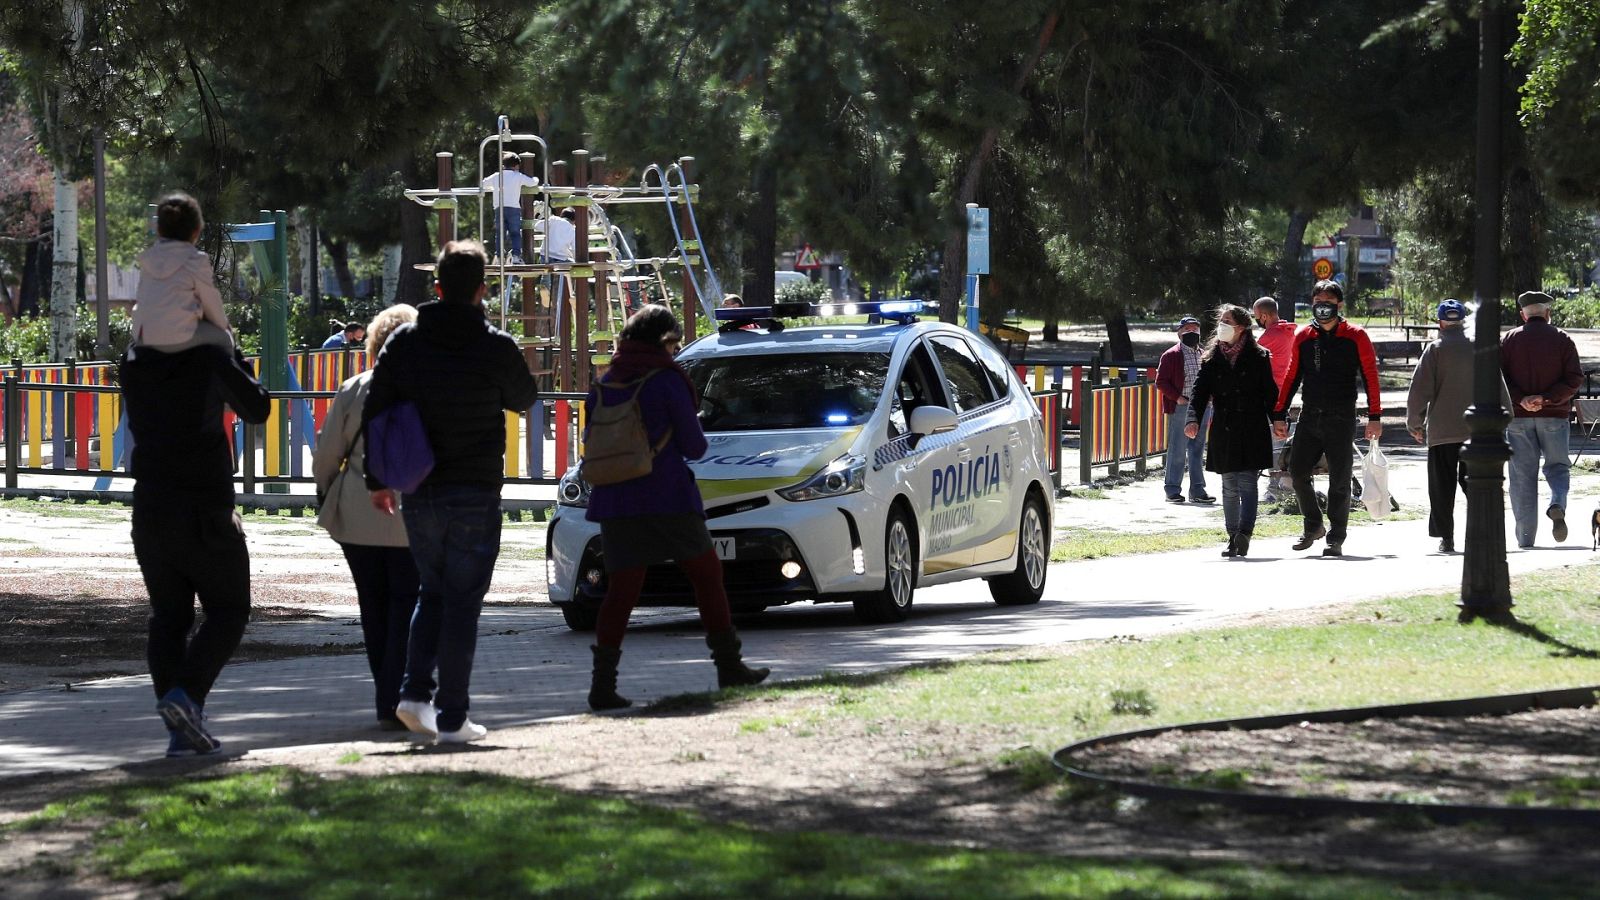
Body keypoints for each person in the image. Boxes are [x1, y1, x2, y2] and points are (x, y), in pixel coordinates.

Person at [362, 240, 538, 744]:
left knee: (433, 591)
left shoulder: (404, 344)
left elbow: (377, 409)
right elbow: (524, 398)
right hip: (476, 487)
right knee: (463, 602)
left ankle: (415, 694)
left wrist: (379, 481)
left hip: (420, 486)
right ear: (482, 290)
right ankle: (455, 717)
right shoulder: (494, 344)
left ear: (436, 287)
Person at [583, 304, 769, 711]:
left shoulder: (606, 383)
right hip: (667, 496)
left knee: (620, 594)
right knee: (707, 576)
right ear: (663, 341)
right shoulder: (666, 380)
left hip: (615, 500)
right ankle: (728, 665)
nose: (676, 349)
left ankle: (602, 686)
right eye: (674, 342)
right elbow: (694, 445)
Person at [120, 301, 270, 757]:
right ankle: (186, 696)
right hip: (205, 508)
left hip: (150, 508)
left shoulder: (132, 363)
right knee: (229, 610)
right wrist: (228, 345)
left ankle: (180, 733)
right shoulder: (209, 358)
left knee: (169, 617)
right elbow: (257, 407)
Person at [313, 304, 420, 730]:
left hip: (359, 511)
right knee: (405, 606)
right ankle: (399, 696)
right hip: (411, 512)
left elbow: (326, 456)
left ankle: (384, 697)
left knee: (372, 607)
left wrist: (325, 492)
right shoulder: (426, 388)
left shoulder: (354, 388)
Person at [1271, 279, 1383, 557]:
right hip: (1309, 416)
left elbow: (1370, 376)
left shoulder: (1356, 336)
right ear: (1312, 304)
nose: (1323, 308)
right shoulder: (1304, 336)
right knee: (1297, 472)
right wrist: (1279, 414)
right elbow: (1291, 376)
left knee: (1340, 479)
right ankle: (1313, 526)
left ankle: (1336, 536)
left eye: (1329, 303)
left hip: (1342, 417)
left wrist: (1375, 416)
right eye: (1318, 303)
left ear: (1339, 305)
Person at [1406, 299, 1511, 554]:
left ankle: (1447, 538)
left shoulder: (1435, 349)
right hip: (1478, 431)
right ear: (1463, 321)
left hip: (1442, 431)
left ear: (1440, 323)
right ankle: (1484, 533)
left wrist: (1415, 423)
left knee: (1442, 487)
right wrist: (1506, 419)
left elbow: (1419, 390)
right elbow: (1498, 386)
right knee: (1477, 485)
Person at [1185, 304, 1278, 558]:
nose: (1222, 326)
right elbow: (1199, 392)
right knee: (1228, 485)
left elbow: (1270, 392)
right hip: (1224, 427)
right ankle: (1232, 536)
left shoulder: (1259, 356)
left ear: (1242, 327)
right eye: (1221, 321)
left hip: (1252, 426)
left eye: (1228, 321)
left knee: (1247, 482)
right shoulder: (1211, 357)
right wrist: (1192, 418)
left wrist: (1279, 420)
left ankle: (1244, 534)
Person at [1500, 290, 1583, 548]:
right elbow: (1574, 379)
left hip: (1518, 418)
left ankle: (1526, 538)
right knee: (1558, 467)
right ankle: (1557, 502)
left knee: (1522, 476)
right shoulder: (1562, 339)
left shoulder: (1509, 340)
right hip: (1554, 416)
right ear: (1547, 313)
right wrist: (1546, 399)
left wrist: (1522, 399)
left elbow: (1499, 378)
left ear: (1523, 314)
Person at [130, 192, 234, 356]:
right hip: (181, 336)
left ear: (159, 230)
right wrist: (225, 325)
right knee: (225, 338)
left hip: (146, 336)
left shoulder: (148, 259)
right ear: (196, 231)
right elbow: (210, 301)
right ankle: (227, 381)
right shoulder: (195, 260)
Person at [1155, 316, 1215, 504]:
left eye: (1195, 329)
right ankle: (1172, 490)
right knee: (1178, 449)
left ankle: (1198, 490)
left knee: (1197, 449)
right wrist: (1178, 398)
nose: (1192, 332)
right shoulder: (1171, 355)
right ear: (1179, 332)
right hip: (1181, 406)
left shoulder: (1204, 353)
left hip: (1203, 407)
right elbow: (1161, 382)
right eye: (1187, 329)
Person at [1252, 296, 1298, 503]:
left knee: (1273, 444)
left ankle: (1273, 488)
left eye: (1257, 317)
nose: (1257, 320)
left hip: (1271, 396)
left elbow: (1250, 358)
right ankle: (1281, 485)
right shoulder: (1289, 332)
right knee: (1279, 440)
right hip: (1283, 394)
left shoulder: (1270, 336)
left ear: (1264, 315)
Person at [480, 152, 540, 263]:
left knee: (500, 234)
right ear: (516, 166)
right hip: (514, 208)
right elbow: (532, 182)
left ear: (503, 165)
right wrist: (536, 179)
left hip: (499, 208)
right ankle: (516, 256)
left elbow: (483, 183)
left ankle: (498, 257)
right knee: (515, 233)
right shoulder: (518, 176)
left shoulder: (497, 176)